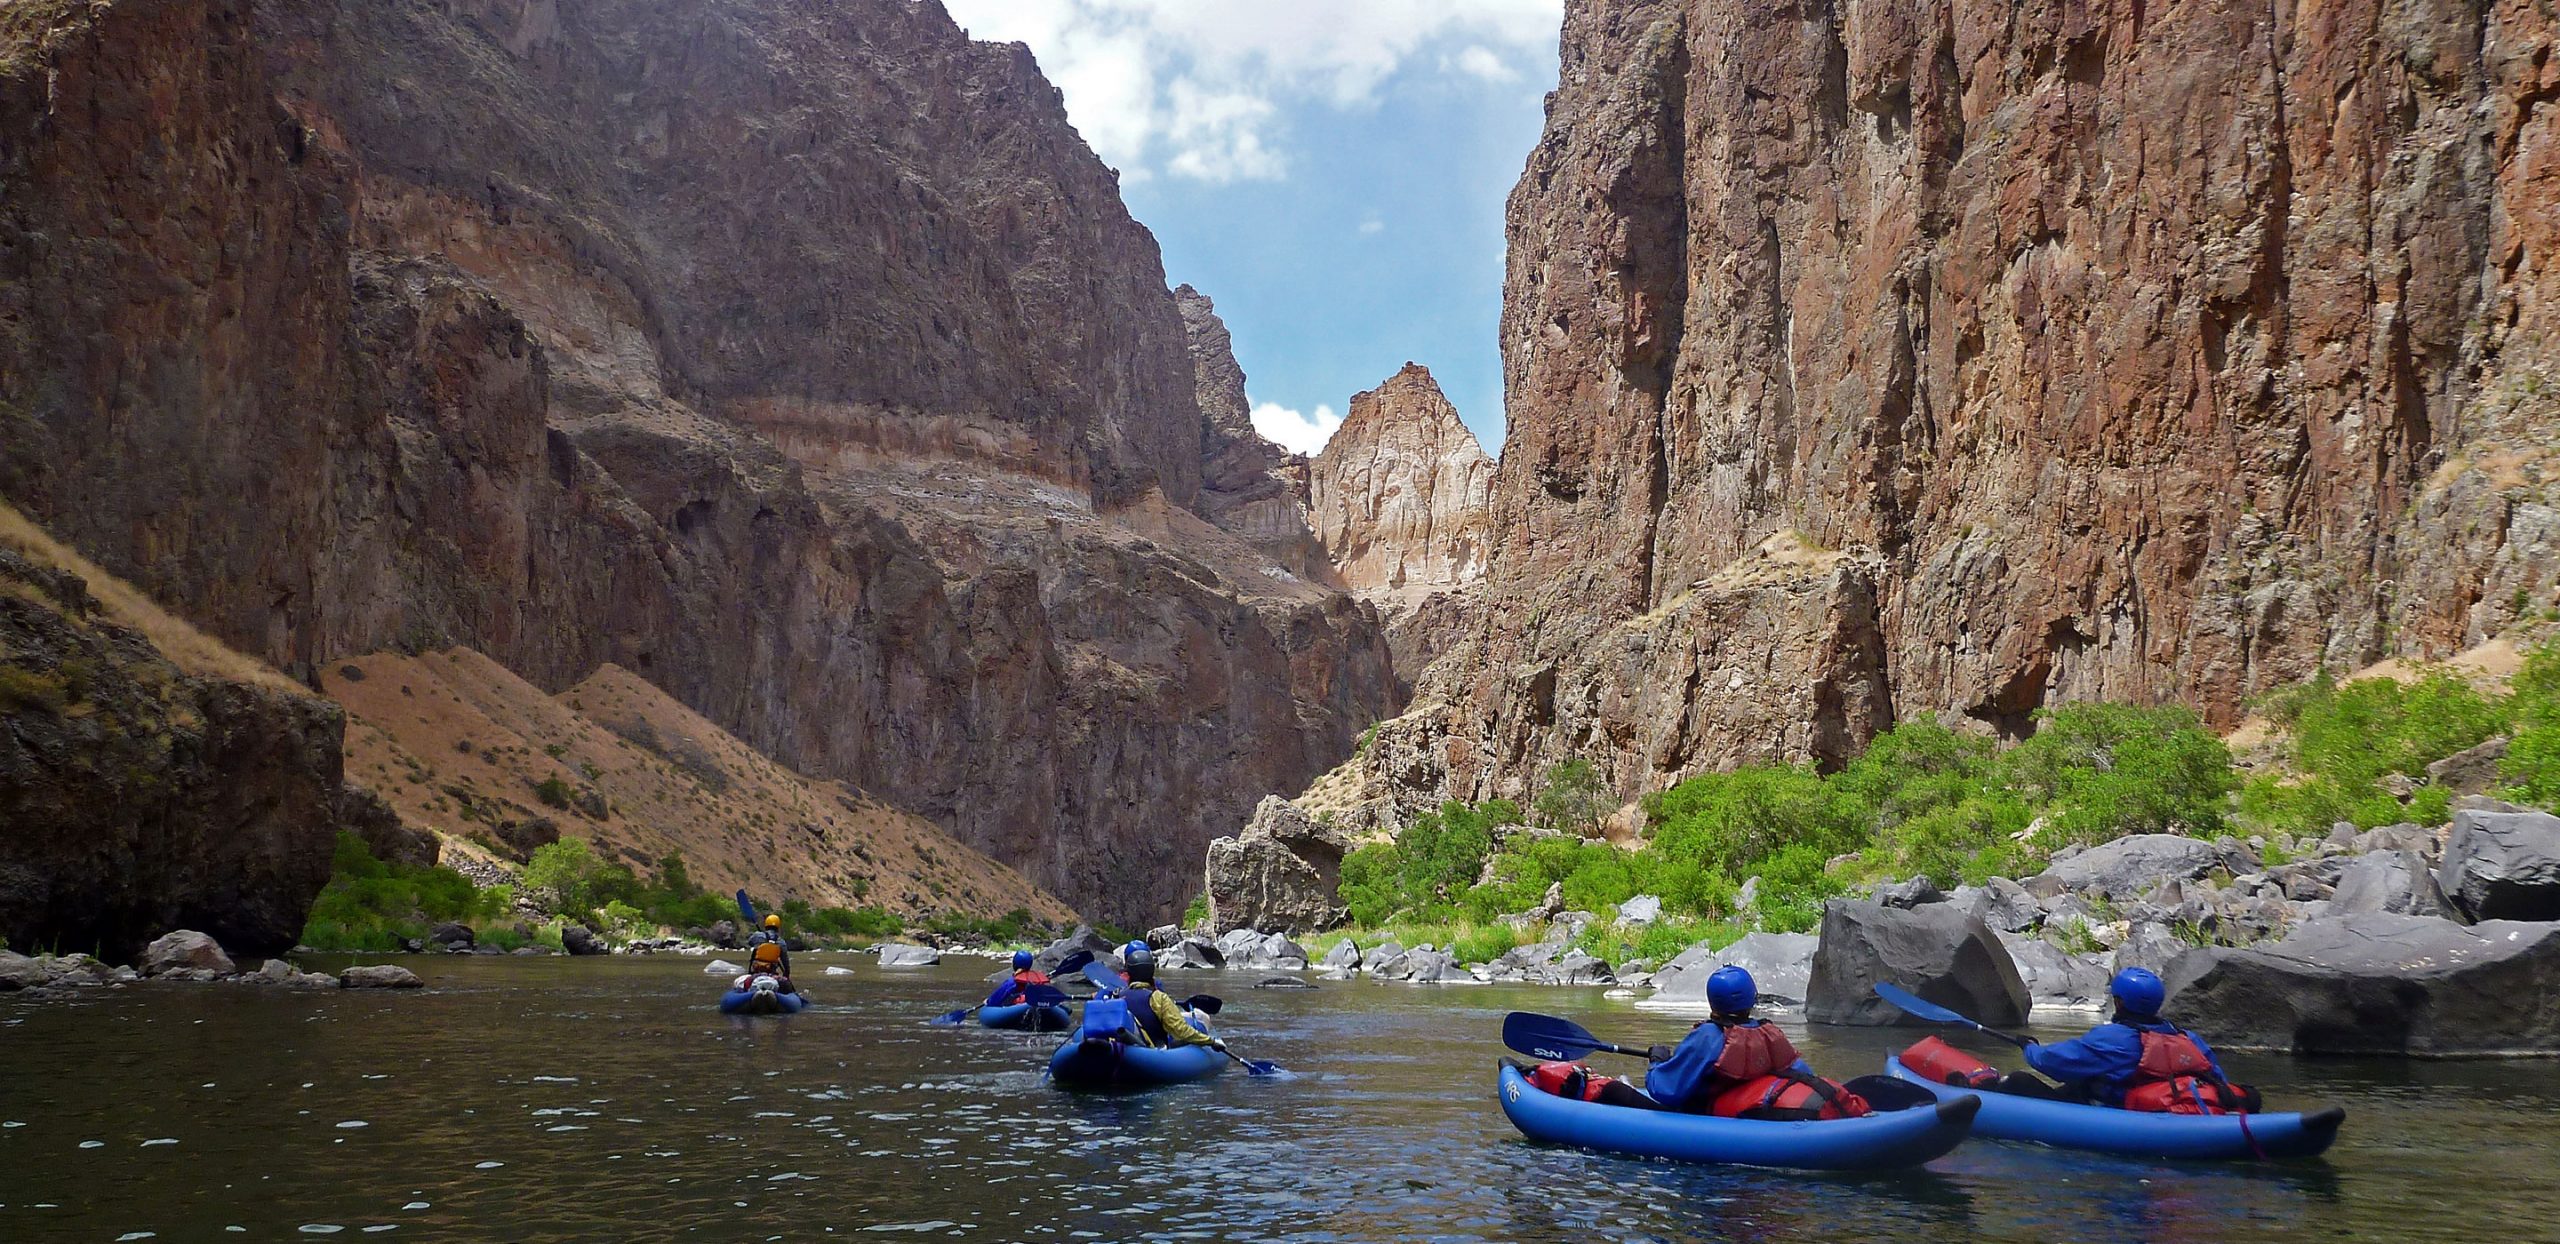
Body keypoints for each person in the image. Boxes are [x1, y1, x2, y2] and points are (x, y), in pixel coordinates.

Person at [2017, 968, 2260, 1113]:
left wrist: (2030, 1049)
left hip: (2117, 1111)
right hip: (2167, 1106)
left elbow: (2054, 1063)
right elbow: (2217, 1079)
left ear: (2120, 1002)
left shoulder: (2113, 1038)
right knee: (2078, 1085)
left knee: (2019, 1081)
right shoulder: (2188, 1038)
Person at [1642, 966, 1869, 1120]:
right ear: (1752, 997)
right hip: (1751, 1108)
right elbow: (1801, 1073)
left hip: (1709, 1113)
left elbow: (1667, 1091)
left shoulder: (1708, 1036)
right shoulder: (1769, 1031)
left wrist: (1656, 1062)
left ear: (1712, 1001)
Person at [1118, 945, 1223, 1052]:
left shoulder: (1118, 996)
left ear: (1129, 972)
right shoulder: (1158, 997)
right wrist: (1210, 1041)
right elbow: (1181, 1030)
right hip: (1154, 1053)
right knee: (1198, 1025)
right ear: (1152, 971)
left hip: (1129, 1048)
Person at [984, 950, 1051, 1009]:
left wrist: (988, 1001)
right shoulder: (1035, 981)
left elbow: (994, 1000)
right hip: (1029, 1004)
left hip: (1019, 1006)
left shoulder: (1012, 982)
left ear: (1014, 964)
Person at [745, 913, 793, 988]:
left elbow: (750, 942)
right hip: (772, 974)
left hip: (756, 973)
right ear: (778, 927)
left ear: (766, 925)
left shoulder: (757, 935)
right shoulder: (781, 942)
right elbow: (785, 963)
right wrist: (786, 975)